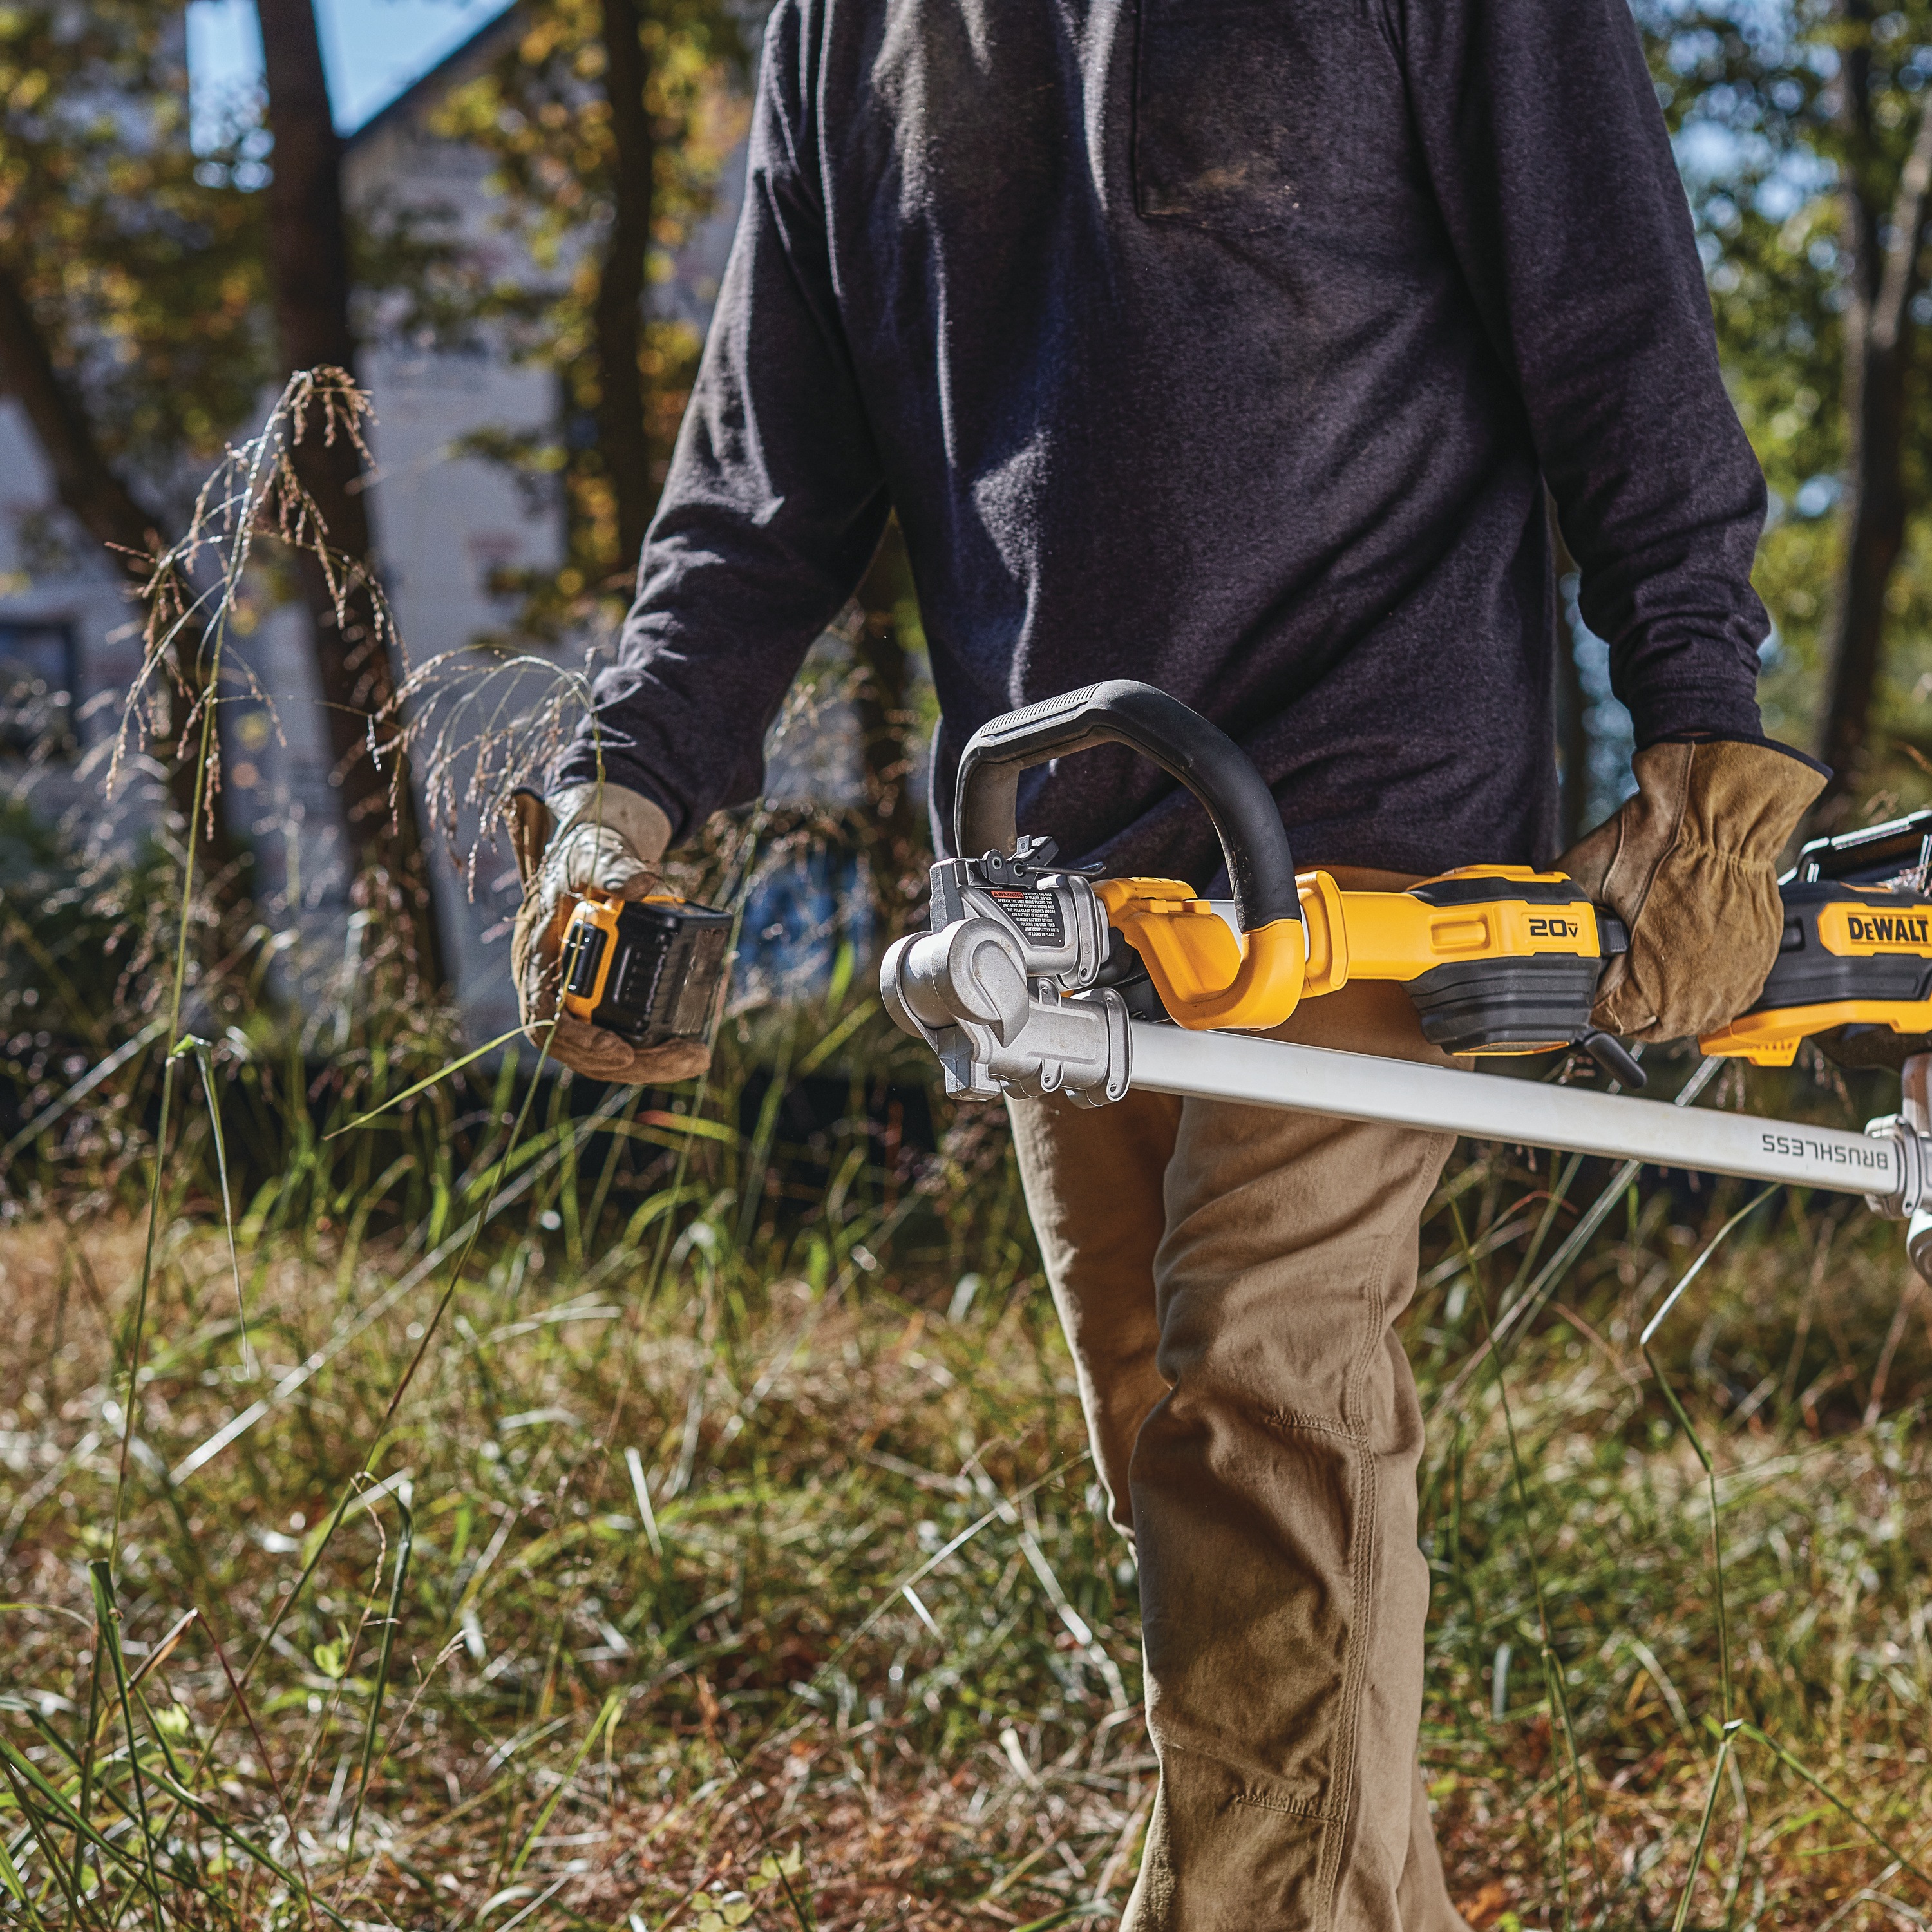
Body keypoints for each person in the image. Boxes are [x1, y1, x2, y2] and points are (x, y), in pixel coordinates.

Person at [509, 0, 1826, 1921]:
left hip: (1368, 834)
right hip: (1059, 878)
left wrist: (1702, 751)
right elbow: (763, 483)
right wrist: (616, 804)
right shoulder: (844, 31)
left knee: (1259, 1397)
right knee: (1175, 1454)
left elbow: (1614, 315)